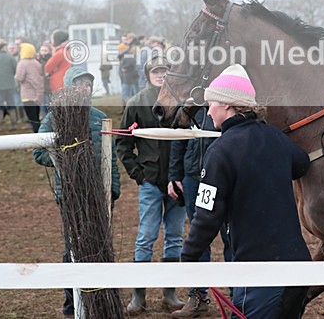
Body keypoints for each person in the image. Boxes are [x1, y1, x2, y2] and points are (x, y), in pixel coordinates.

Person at [180, 64, 310, 319]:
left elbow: (206, 215)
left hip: (260, 272)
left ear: (228, 105)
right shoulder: (275, 137)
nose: (208, 110)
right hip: (299, 267)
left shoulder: (220, 151)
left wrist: (188, 257)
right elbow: (301, 164)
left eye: (211, 103)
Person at [32, 66, 121, 319]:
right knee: (73, 247)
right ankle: (71, 305)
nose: (86, 88)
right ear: (70, 87)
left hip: (99, 194)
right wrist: (69, 160)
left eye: (89, 84)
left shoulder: (100, 117)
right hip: (70, 195)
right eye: (80, 84)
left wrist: (112, 189)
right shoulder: (54, 118)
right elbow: (38, 152)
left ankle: (100, 300)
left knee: (101, 244)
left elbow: (109, 157)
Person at [116, 55, 186, 315]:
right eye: (155, 71)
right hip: (150, 182)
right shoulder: (135, 103)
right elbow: (123, 144)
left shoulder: (180, 103)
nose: (160, 74)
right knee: (146, 236)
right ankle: (138, 296)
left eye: (164, 70)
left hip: (177, 182)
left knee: (175, 237)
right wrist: (138, 174)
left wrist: (183, 174)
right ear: (147, 73)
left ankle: (170, 294)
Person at [168, 107, 231, 318]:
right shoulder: (191, 106)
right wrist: (175, 175)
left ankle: (239, 295)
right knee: (197, 238)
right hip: (193, 178)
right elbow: (179, 139)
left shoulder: (227, 106)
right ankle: (197, 296)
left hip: (225, 179)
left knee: (231, 236)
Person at [45, 29, 71, 94]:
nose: (51, 41)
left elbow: (47, 67)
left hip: (59, 84)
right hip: (64, 83)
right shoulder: (66, 51)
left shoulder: (59, 53)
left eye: (52, 39)